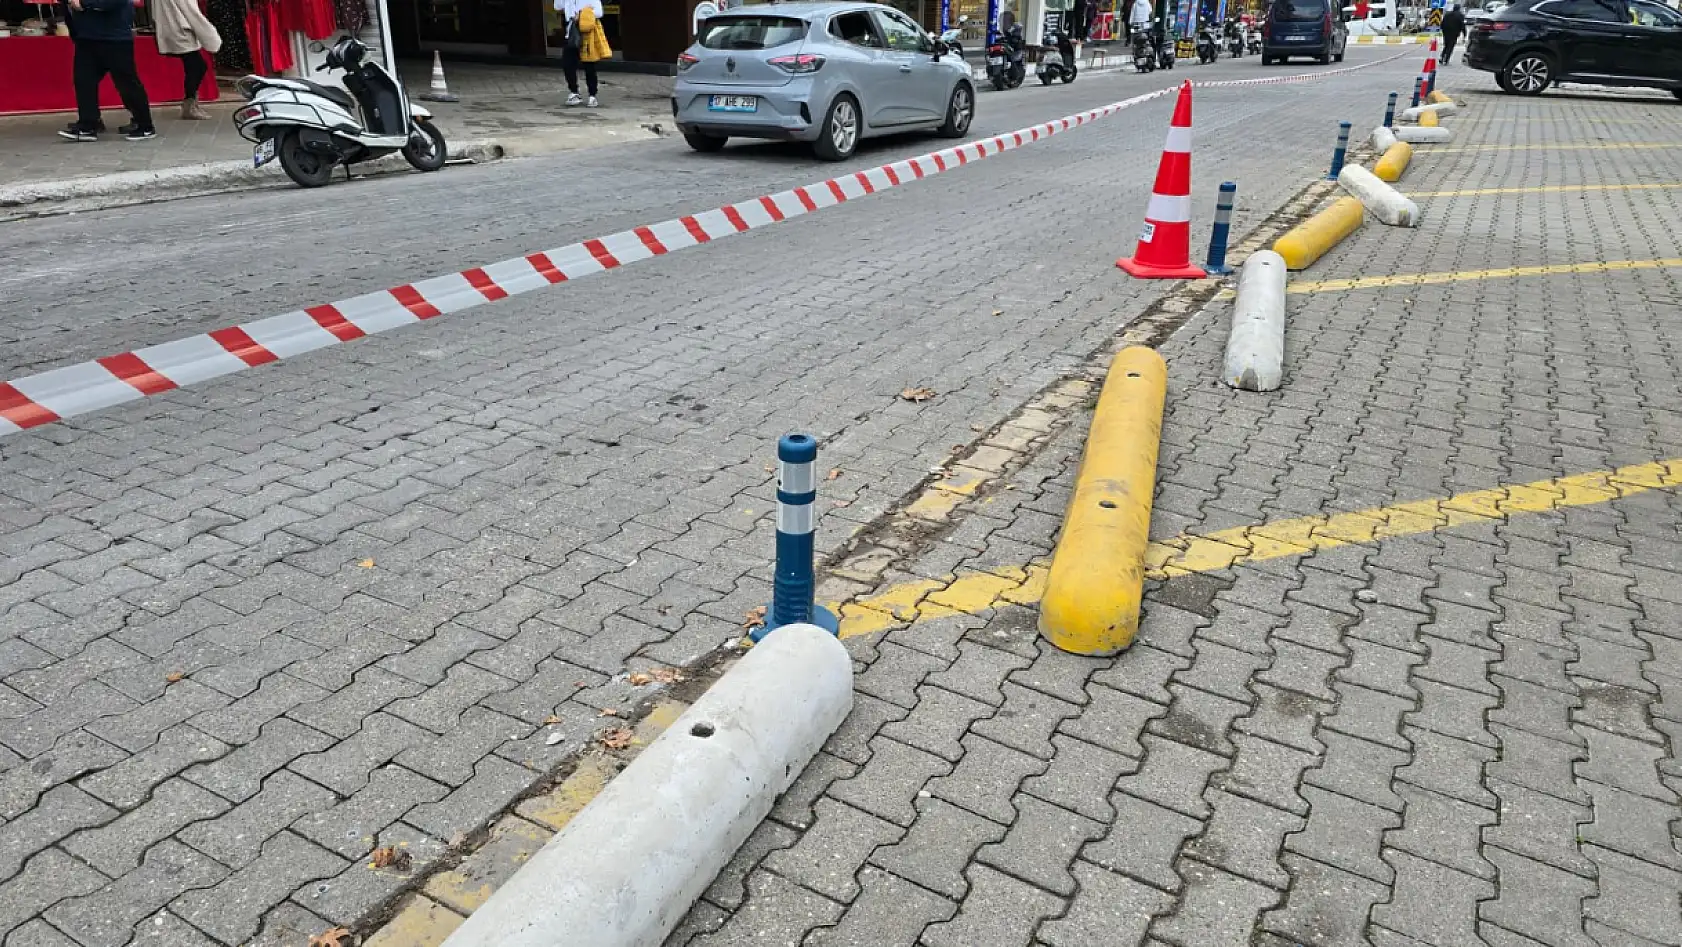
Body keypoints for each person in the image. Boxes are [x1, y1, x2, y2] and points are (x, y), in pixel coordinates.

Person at [58, 0, 155, 141]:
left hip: (115, 38)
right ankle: (88, 124)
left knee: (127, 82)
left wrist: (84, 3)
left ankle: (145, 125)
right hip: (87, 37)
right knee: (84, 81)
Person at [152, 0, 222, 120]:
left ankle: (191, 103)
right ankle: (189, 105)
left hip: (173, 26)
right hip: (180, 29)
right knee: (197, 66)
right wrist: (210, 35)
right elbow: (191, 12)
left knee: (194, 66)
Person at [557, 0, 611, 108]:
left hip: (587, 33)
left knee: (589, 65)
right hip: (571, 32)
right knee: (568, 64)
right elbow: (557, 7)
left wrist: (582, 14)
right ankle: (574, 92)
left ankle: (592, 95)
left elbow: (599, 12)